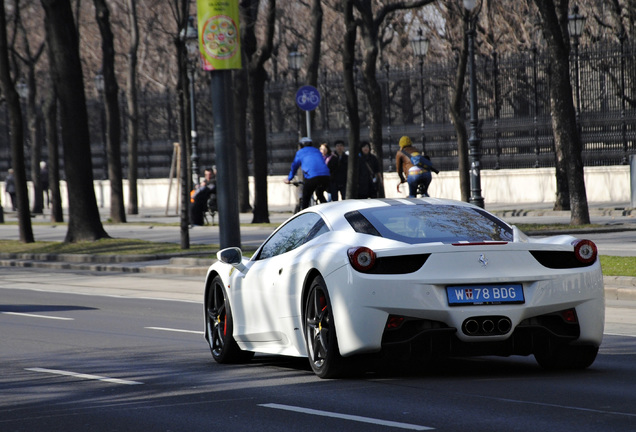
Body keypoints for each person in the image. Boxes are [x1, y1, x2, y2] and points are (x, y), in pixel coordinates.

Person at [284, 137, 330, 211]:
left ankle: (304, 216)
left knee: (306, 197)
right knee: (320, 194)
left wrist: (289, 178)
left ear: (301, 145)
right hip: (326, 176)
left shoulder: (300, 152)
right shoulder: (317, 151)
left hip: (312, 177)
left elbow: (294, 166)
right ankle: (328, 211)